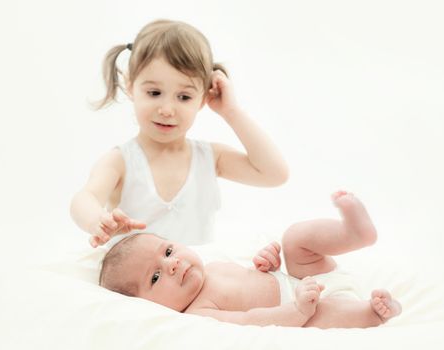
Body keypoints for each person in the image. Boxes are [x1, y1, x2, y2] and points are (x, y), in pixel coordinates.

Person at [70, 19, 288, 248]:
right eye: (154, 93)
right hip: (138, 279)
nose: (166, 110)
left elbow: (275, 174)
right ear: (130, 86)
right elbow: (85, 198)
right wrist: (97, 220)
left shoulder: (210, 158)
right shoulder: (121, 161)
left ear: (203, 98)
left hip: (194, 277)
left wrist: (231, 112)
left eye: (184, 97)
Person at [99, 191, 402, 328]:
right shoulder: (199, 313)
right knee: (323, 319)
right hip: (304, 309)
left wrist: (266, 263)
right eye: (155, 277)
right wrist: (297, 311)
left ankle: (353, 234)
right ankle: (373, 313)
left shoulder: (212, 267)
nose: (173, 264)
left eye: (167, 252)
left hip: (299, 279)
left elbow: (254, 278)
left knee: (294, 239)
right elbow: (249, 320)